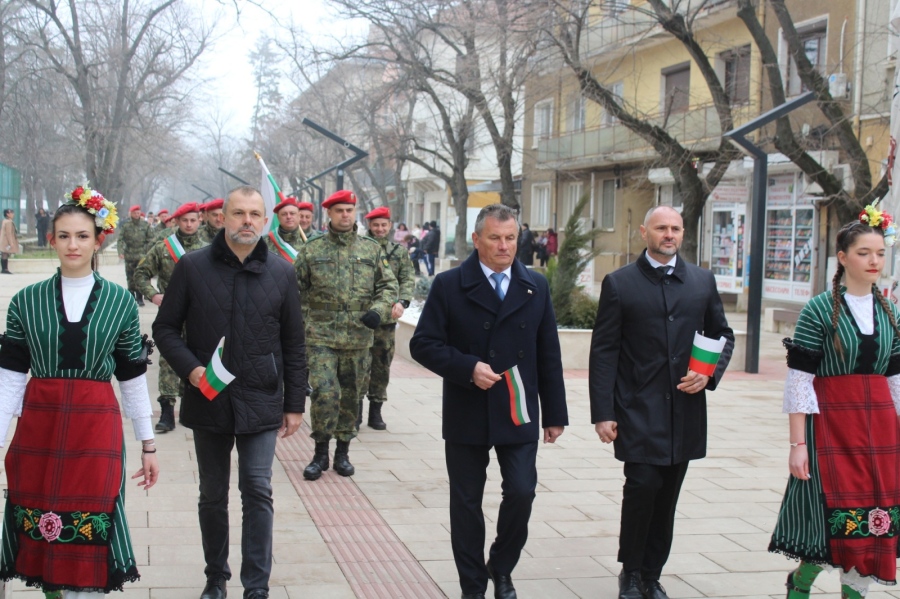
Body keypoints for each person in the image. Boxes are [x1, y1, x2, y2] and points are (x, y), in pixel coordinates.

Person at [0, 184, 159, 593]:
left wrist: (148, 443)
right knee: (37, 518)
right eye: (65, 236)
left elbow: (131, 378)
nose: (73, 245)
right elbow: (11, 382)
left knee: (93, 517)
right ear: (52, 240)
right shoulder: (24, 302)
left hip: (96, 428)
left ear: (98, 240)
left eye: (83, 236)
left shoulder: (121, 302)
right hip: (40, 426)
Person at [153, 185, 307, 599]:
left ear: (265, 219)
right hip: (209, 396)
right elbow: (165, 328)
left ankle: (256, 585)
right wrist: (192, 370)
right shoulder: (192, 267)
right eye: (238, 213)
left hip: (261, 398)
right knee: (212, 493)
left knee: (258, 489)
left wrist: (295, 403)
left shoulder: (281, 271)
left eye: (255, 214)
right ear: (221, 217)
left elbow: (294, 342)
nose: (247, 222)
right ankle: (215, 577)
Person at [409, 203, 568, 599]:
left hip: (517, 409)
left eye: (511, 238)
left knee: (521, 490)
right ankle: (473, 585)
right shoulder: (448, 285)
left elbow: (548, 352)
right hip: (467, 408)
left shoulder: (535, 285)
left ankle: (501, 565)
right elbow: (422, 344)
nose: (504, 246)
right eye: (495, 238)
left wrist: (556, 414)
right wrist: (466, 367)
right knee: (465, 502)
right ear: (477, 239)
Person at [589, 205, 734, 599]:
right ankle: (630, 573)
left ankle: (652, 575)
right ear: (643, 232)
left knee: (667, 495)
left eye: (675, 228)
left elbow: (723, 335)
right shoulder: (620, 284)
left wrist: (709, 373)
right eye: (660, 228)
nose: (668, 234)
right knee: (642, 486)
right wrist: (603, 413)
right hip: (637, 408)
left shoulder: (702, 282)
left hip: (684, 412)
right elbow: (604, 351)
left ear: (683, 233)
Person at [771, 209, 900, 599]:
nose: (874, 261)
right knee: (835, 520)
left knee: (874, 519)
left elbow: (895, 380)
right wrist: (798, 445)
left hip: (880, 430)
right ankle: (802, 582)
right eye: (864, 253)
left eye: (880, 252)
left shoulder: (890, 311)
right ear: (843, 258)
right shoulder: (818, 310)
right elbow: (799, 381)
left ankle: (853, 594)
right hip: (831, 427)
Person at [294, 190, 398, 481]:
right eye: (339, 210)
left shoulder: (370, 249)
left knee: (352, 396)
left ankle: (343, 451)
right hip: (321, 336)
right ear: (328, 213)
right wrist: (304, 324)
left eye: (349, 210)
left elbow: (388, 286)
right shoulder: (313, 249)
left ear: (355, 213)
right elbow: (294, 289)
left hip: (358, 336)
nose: (344, 215)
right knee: (325, 393)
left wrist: (378, 310)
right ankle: (319, 453)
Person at [135, 202, 208, 433]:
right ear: (176, 221)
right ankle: (167, 411)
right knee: (168, 359)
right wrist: (154, 295)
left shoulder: (209, 249)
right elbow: (140, 274)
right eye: (184, 220)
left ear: (200, 221)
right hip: (172, 314)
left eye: (193, 220)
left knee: (199, 356)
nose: (188, 224)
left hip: (201, 314)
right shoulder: (163, 248)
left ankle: (196, 406)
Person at [361, 207, 415, 430]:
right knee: (358, 365)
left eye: (384, 225)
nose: (380, 229)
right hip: (361, 318)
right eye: (376, 225)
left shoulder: (398, 252)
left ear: (390, 226)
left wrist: (402, 302)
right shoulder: (360, 247)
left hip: (386, 320)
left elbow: (407, 279)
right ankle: (354, 412)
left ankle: (375, 411)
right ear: (369, 225)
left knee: (382, 364)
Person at [119, 205, 153, 306]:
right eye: (135, 213)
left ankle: (140, 297)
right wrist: (120, 251)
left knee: (140, 276)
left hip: (141, 255)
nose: (137, 215)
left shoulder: (145, 225)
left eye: (138, 213)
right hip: (129, 255)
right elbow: (120, 239)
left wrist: (147, 252)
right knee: (130, 277)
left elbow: (150, 239)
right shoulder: (126, 226)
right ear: (131, 213)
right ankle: (131, 297)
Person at [1, 208, 19, 274]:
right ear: (7, 214)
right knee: (5, 254)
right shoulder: (9, 222)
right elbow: (9, 233)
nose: (12, 214)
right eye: (11, 213)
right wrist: (11, 243)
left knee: (4, 254)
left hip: (4, 240)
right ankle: (5, 269)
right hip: (6, 241)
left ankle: (4, 269)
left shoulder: (4, 221)